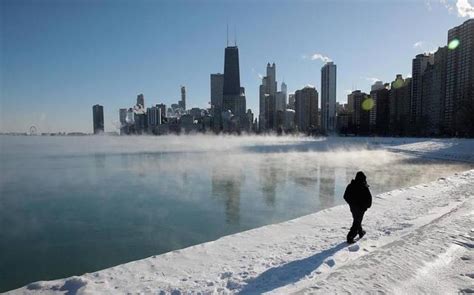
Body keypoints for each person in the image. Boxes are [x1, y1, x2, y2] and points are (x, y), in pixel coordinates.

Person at [343, 171, 372, 244]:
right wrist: (366, 206)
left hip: (353, 207)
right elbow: (369, 199)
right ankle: (350, 237)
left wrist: (351, 203)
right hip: (361, 208)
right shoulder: (364, 187)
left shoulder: (350, 185)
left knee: (357, 220)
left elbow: (345, 196)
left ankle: (360, 232)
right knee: (357, 221)